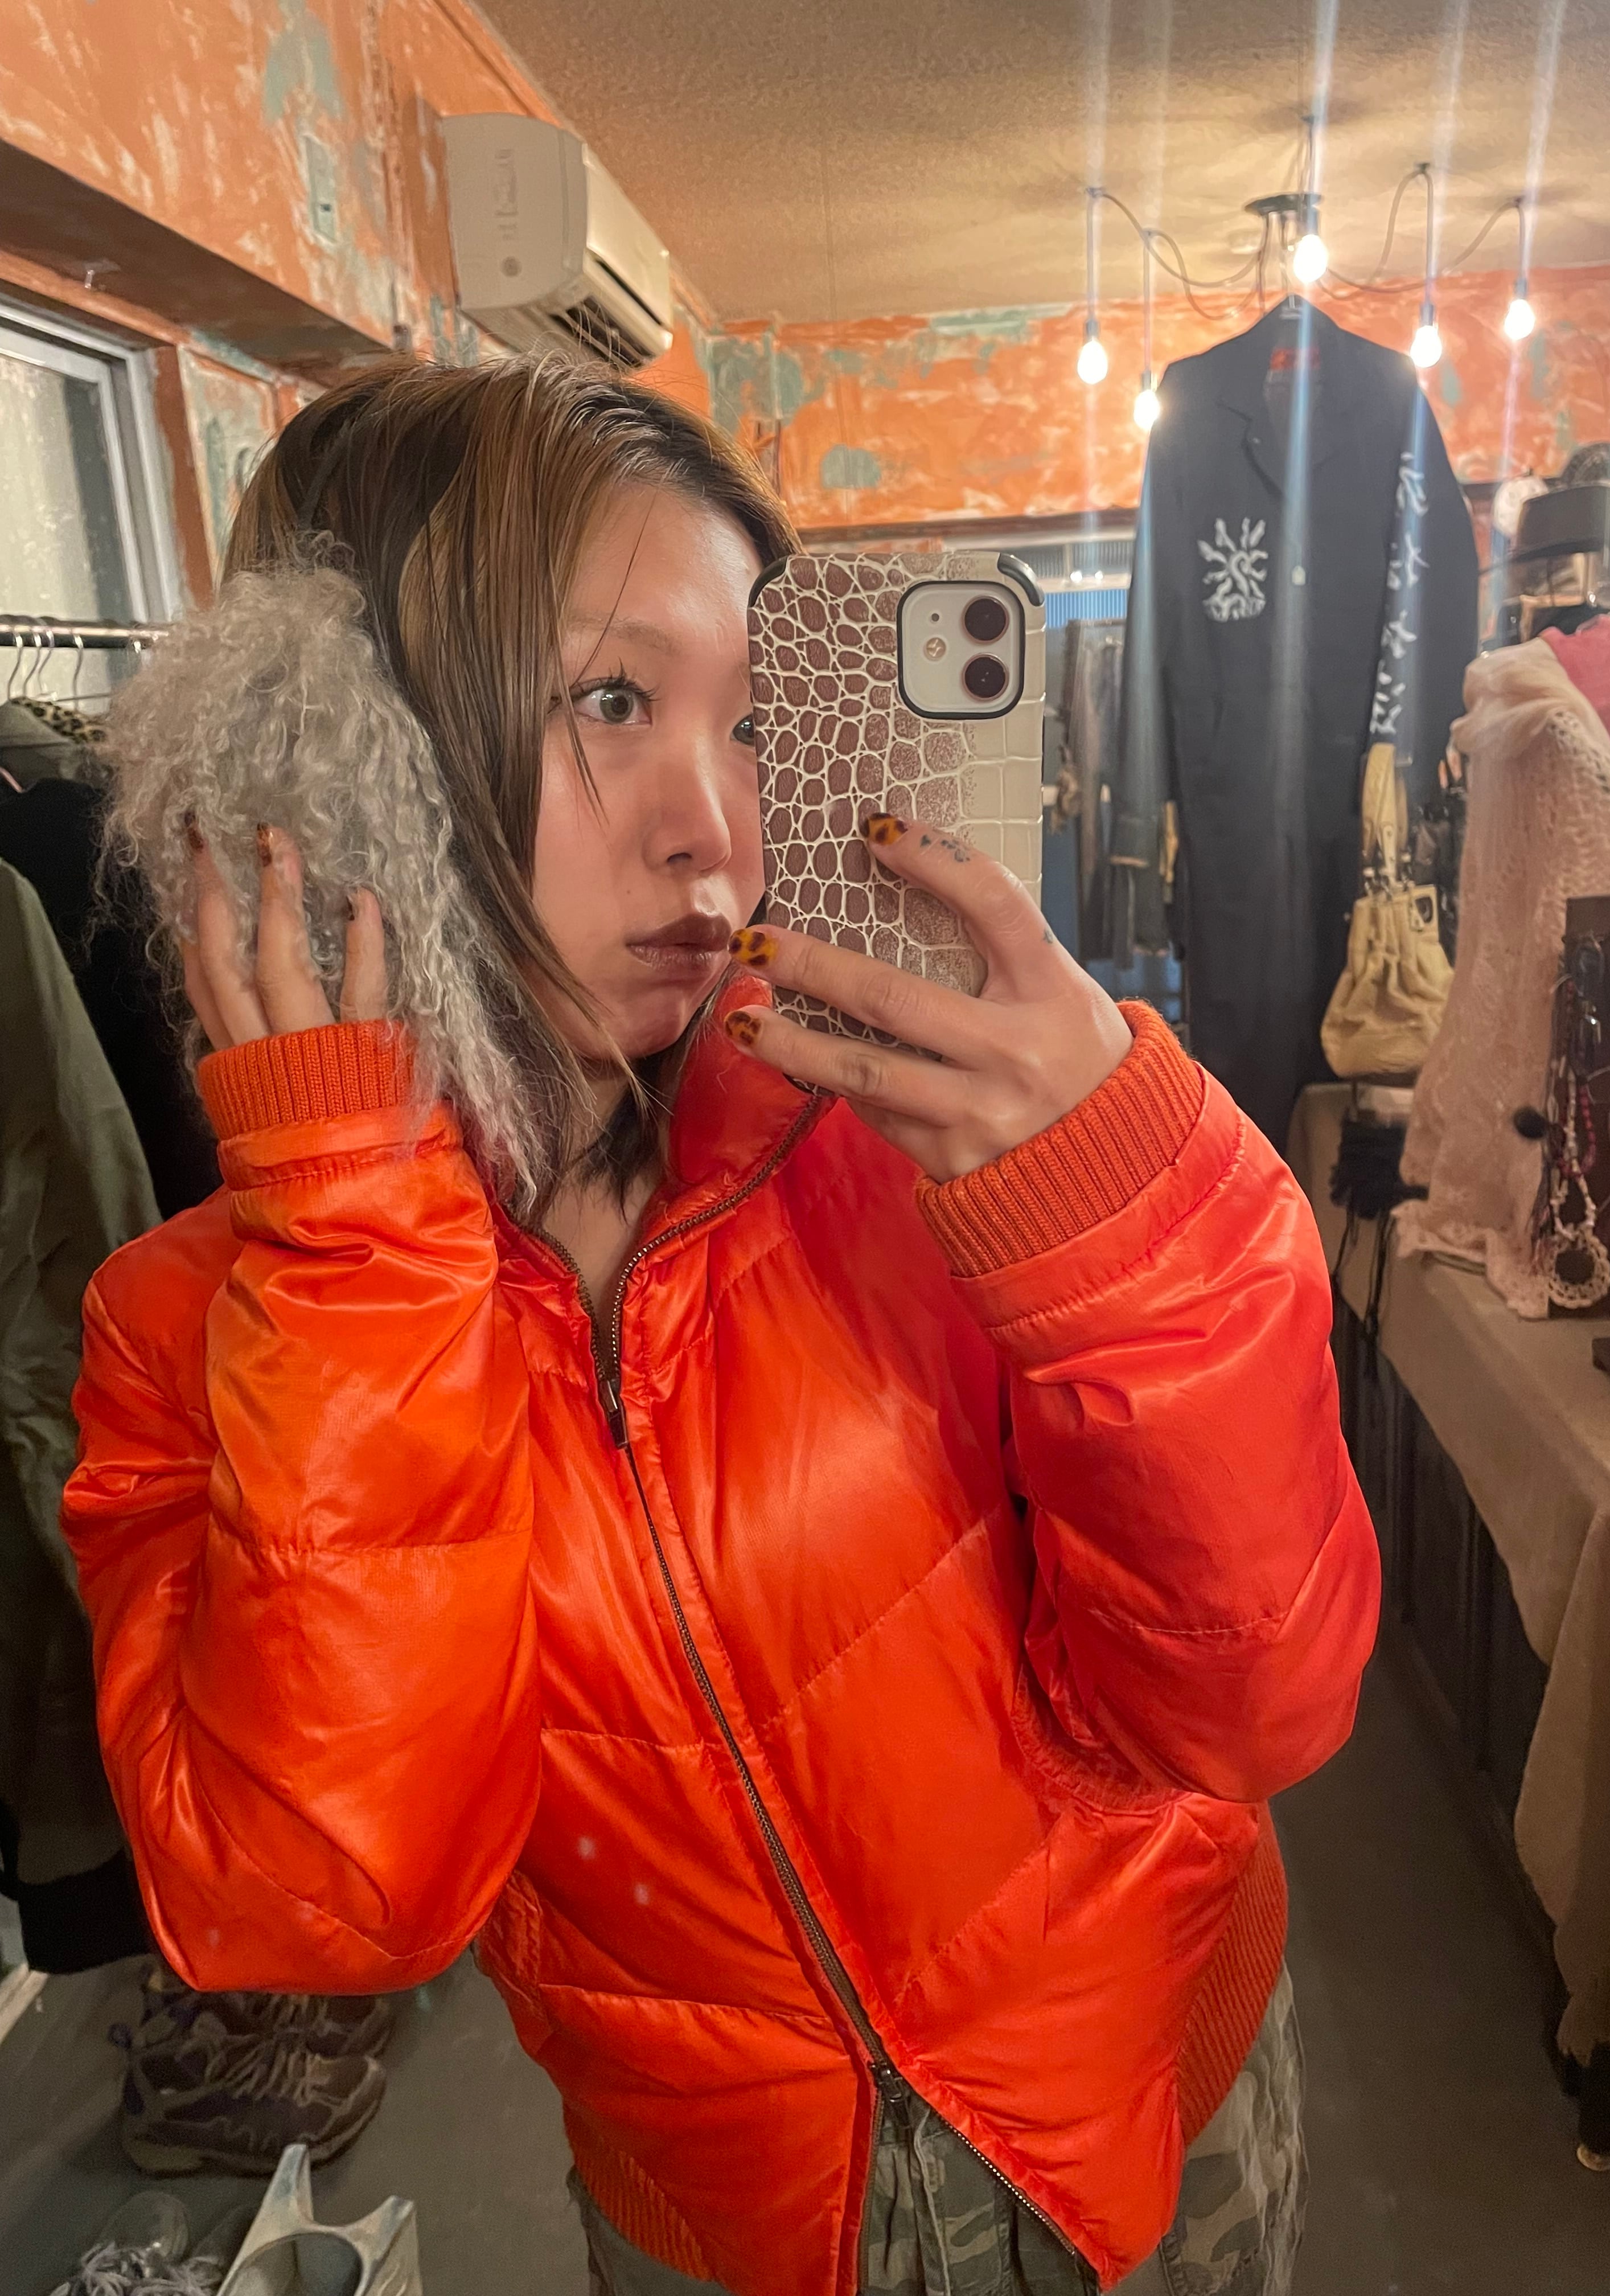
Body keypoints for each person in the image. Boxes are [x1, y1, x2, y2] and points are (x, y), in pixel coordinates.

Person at [64, 357, 1379, 2296]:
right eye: (611, 702)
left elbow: (1258, 1709)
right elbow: (329, 1910)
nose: (715, 835)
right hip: (732, 2234)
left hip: (1158, 2131)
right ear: (343, 756)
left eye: (750, 721)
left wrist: (1122, 1211)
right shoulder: (208, 1325)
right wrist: (354, 1256)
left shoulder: (939, 1134)